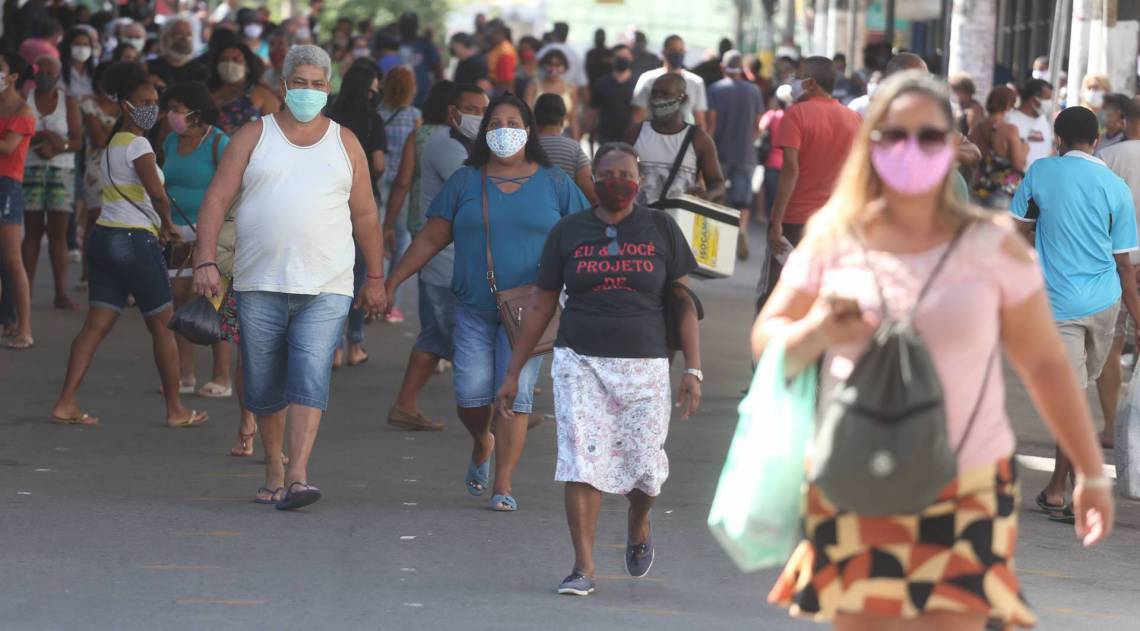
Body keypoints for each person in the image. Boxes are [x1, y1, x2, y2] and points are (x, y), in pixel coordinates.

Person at [758, 71, 1115, 631]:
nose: (911, 149)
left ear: (952, 148)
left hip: (967, 482)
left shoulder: (992, 245)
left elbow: (1047, 365)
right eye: (895, 135)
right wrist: (815, 330)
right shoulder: (836, 235)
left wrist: (1091, 475)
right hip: (857, 475)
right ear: (871, 145)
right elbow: (770, 333)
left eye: (929, 137)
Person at [494, 142, 702, 596]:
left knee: (646, 469)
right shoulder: (568, 232)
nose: (616, 181)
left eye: (625, 173)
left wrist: (694, 368)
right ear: (594, 181)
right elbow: (541, 303)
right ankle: (583, 567)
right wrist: (513, 371)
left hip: (646, 363)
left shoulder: (661, 228)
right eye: (606, 173)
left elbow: (684, 302)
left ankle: (639, 518)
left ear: (640, 179)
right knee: (580, 463)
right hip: (579, 361)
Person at [192, 45, 388, 509]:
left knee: (310, 372)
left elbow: (365, 215)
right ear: (283, 86)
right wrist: (203, 258)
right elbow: (217, 199)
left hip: (328, 285)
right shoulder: (253, 136)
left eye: (318, 84)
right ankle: (274, 465)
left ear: (329, 89)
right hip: (259, 282)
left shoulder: (346, 143)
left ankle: (298, 474)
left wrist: (376, 277)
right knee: (262, 382)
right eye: (300, 82)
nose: (308, 91)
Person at [386, 93, 590, 511]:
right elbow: (430, 237)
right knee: (471, 397)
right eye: (494, 124)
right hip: (474, 308)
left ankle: (504, 484)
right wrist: (389, 283)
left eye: (512, 123)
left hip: (532, 313)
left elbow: (584, 236)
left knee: (514, 397)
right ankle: (483, 440)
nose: (502, 131)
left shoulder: (554, 182)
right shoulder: (466, 180)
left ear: (529, 131)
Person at [50, 62, 207, 429]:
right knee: (164, 326)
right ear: (126, 105)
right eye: (145, 100)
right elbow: (157, 193)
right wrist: (167, 223)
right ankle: (175, 409)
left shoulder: (111, 145)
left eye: (156, 100)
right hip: (135, 241)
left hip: (103, 238)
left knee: (94, 327)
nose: (153, 106)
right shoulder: (138, 145)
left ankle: (66, 401)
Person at [1009, 105, 1139, 526]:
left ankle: (1065, 487)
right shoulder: (1115, 186)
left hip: (1059, 304)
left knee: (1071, 396)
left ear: (1058, 140)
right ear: (1097, 141)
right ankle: (1058, 487)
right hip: (1105, 304)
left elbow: (1016, 233)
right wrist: (1137, 317)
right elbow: (1124, 264)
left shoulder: (1042, 172)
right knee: (1075, 393)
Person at [382, 82, 482, 432]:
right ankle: (499, 413)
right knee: (466, 344)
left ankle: (404, 405)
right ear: (453, 111)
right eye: (473, 109)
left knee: (434, 338)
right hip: (447, 261)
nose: (479, 117)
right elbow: (475, 189)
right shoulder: (444, 144)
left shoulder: (461, 143)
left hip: (449, 256)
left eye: (485, 110)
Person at [762, 56, 862, 308]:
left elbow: (790, 169)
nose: (793, 82)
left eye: (798, 76)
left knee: (777, 295)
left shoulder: (795, 114)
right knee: (821, 295)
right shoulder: (853, 119)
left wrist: (775, 222)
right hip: (835, 223)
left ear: (812, 83)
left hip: (794, 222)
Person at [160, 81, 233, 398]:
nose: (171, 114)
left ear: (195, 111)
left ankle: (221, 376)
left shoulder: (219, 143)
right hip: (176, 231)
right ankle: (185, 374)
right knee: (179, 301)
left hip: (211, 232)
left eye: (177, 108)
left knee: (212, 302)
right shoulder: (169, 142)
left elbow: (233, 189)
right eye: (170, 108)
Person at [326, 63, 388, 368]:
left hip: (333, 202)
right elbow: (378, 165)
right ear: (368, 88)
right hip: (364, 204)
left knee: (334, 273)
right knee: (357, 276)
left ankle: (333, 347)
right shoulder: (372, 120)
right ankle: (355, 344)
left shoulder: (330, 119)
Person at [1096, 99, 1140, 450]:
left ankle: (1111, 427)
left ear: (1124, 120)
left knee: (1110, 348)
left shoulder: (1109, 158)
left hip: (1117, 264)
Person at [22, 55, 81, 312]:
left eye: (50, 71)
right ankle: (26, 291)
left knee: (58, 234)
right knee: (32, 231)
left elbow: (77, 142)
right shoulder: (25, 100)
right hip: (30, 169)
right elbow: (15, 132)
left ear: (58, 75)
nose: (45, 74)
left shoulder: (67, 102)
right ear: (34, 73)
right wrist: (46, 136)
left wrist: (58, 147)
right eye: (41, 69)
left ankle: (60, 292)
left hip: (60, 171)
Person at [626, 74, 725, 207]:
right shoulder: (635, 133)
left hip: (678, 223)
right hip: (637, 220)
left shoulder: (699, 139)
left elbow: (717, 184)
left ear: (683, 98)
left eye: (665, 94)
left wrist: (707, 196)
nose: (658, 98)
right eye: (654, 93)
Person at [707, 50, 764, 260]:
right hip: (745, 152)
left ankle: (718, 236)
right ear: (743, 69)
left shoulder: (715, 90)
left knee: (717, 194)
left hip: (719, 152)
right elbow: (758, 125)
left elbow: (711, 124)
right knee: (743, 199)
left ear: (722, 67)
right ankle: (740, 230)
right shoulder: (754, 91)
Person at [376, 65, 421, 326]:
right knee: (400, 243)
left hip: (378, 181)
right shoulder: (415, 116)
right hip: (402, 186)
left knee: (374, 239)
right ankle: (390, 302)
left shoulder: (377, 114)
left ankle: (368, 293)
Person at [0, 51, 37, 350]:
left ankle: (24, 328)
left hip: (7, 186)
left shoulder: (24, 111)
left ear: (13, 76)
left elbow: (8, 147)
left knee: (13, 260)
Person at [77, 63, 118, 290]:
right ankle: (87, 271)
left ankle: (112, 274)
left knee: (117, 222)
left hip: (122, 168)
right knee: (94, 219)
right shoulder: (88, 103)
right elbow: (99, 140)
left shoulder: (126, 106)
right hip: (96, 169)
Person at [968, 85, 1028, 209]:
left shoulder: (975, 128)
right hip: (1001, 192)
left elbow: (972, 161)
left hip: (978, 189)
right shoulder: (1009, 129)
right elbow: (1018, 164)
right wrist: (1025, 148)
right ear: (1007, 105)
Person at [631, 35, 708, 130]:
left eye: (681, 51)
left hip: (683, 139)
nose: (677, 54)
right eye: (673, 50)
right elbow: (638, 116)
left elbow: (700, 120)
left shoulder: (695, 82)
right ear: (664, 52)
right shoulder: (648, 79)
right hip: (654, 136)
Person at [535, 93, 597, 205]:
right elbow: (590, 193)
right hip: (565, 217)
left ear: (534, 118)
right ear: (563, 120)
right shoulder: (573, 149)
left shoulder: (524, 148)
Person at [208, 42, 280, 135]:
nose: (229, 63)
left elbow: (277, 132)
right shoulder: (207, 92)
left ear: (247, 66)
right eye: (224, 60)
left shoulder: (262, 94)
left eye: (236, 59)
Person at [587, 44, 636, 146]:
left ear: (631, 58)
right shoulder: (601, 83)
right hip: (605, 137)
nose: (622, 60)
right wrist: (590, 132)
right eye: (619, 57)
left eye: (625, 57)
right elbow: (593, 111)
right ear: (611, 59)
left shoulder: (638, 84)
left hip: (631, 137)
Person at [756, 85, 790, 232]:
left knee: (771, 198)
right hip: (788, 164)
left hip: (771, 162)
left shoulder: (771, 115)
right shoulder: (793, 117)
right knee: (783, 197)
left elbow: (760, 130)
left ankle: (770, 223)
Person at [524, 49, 578, 139]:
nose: (553, 69)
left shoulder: (571, 88)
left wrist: (576, 142)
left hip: (564, 134)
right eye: (550, 65)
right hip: (537, 133)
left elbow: (573, 118)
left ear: (564, 68)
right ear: (543, 66)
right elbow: (526, 114)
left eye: (558, 65)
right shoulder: (533, 86)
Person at [147, 17, 208, 92]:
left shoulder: (201, 72)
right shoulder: (148, 68)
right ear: (165, 38)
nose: (184, 39)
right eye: (178, 34)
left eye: (189, 35)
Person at [396, 12, 442, 109]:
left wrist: (441, 92)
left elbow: (437, 68)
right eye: (405, 24)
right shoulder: (394, 44)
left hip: (421, 97)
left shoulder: (425, 44)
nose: (407, 28)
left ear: (416, 26)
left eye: (410, 25)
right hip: (396, 96)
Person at [1006, 78, 1054, 169]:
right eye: (1046, 99)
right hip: (1018, 180)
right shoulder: (1010, 119)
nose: (1049, 103)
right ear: (1033, 100)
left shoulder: (1043, 120)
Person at [60, 27, 97, 99]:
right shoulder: (58, 69)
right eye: (77, 44)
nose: (82, 48)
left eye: (86, 44)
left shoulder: (95, 70)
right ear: (67, 46)